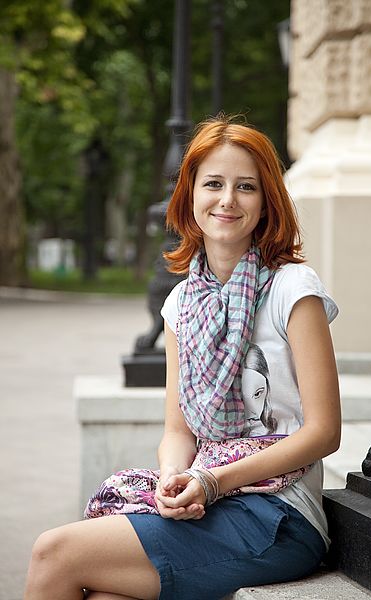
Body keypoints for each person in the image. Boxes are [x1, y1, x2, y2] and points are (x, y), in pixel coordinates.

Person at [24, 115, 341, 600]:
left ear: (267, 201)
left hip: (280, 513)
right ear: (190, 196)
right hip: (208, 495)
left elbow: (324, 433)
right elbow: (178, 431)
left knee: (54, 553)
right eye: (213, 183)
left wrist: (212, 481)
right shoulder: (180, 306)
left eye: (246, 187)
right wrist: (174, 477)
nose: (227, 199)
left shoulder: (293, 290)